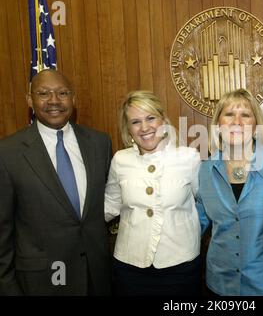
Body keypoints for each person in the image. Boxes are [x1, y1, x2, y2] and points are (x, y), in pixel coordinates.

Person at [0, 69, 113, 295]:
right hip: (41, 281)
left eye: (62, 93)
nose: (54, 101)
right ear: (30, 100)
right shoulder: (7, 153)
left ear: (74, 99)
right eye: (43, 93)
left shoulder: (100, 143)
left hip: (97, 277)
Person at [196, 88, 263, 296]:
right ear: (218, 126)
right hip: (220, 286)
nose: (237, 121)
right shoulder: (205, 170)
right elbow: (196, 224)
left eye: (245, 115)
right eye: (229, 114)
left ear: (256, 128)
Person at [104, 91, 201, 296]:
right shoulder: (120, 160)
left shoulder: (189, 157)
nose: (145, 127)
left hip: (180, 266)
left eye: (150, 118)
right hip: (129, 267)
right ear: (128, 129)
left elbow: (205, 203)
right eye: (135, 122)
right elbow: (110, 204)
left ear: (163, 120)